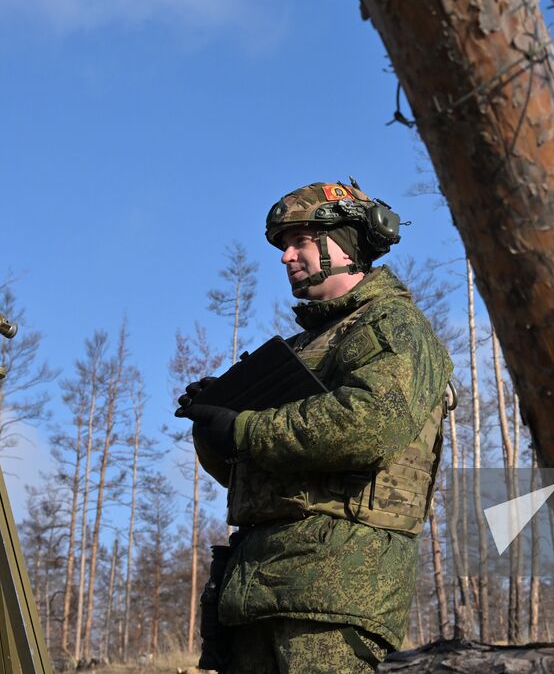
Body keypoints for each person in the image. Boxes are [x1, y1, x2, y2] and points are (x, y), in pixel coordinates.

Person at [177, 181, 454, 673]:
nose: (286, 256)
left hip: (335, 583)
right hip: (259, 581)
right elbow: (253, 474)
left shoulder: (392, 327)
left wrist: (244, 428)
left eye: (300, 240)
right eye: (284, 244)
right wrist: (214, 422)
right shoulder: (308, 345)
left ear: (344, 243)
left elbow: (367, 427)